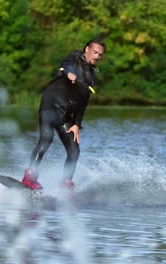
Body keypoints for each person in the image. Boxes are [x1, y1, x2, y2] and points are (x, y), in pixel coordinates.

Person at [21, 38, 106, 190]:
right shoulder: (74, 58)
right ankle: (29, 177)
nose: (97, 57)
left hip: (65, 114)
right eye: (95, 52)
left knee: (74, 149)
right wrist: (70, 73)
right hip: (50, 105)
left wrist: (77, 124)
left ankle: (66, 184)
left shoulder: (91, 77)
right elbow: (66, 64)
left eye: (100, 55)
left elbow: (83, 103)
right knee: (46, 139)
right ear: (87, 49)